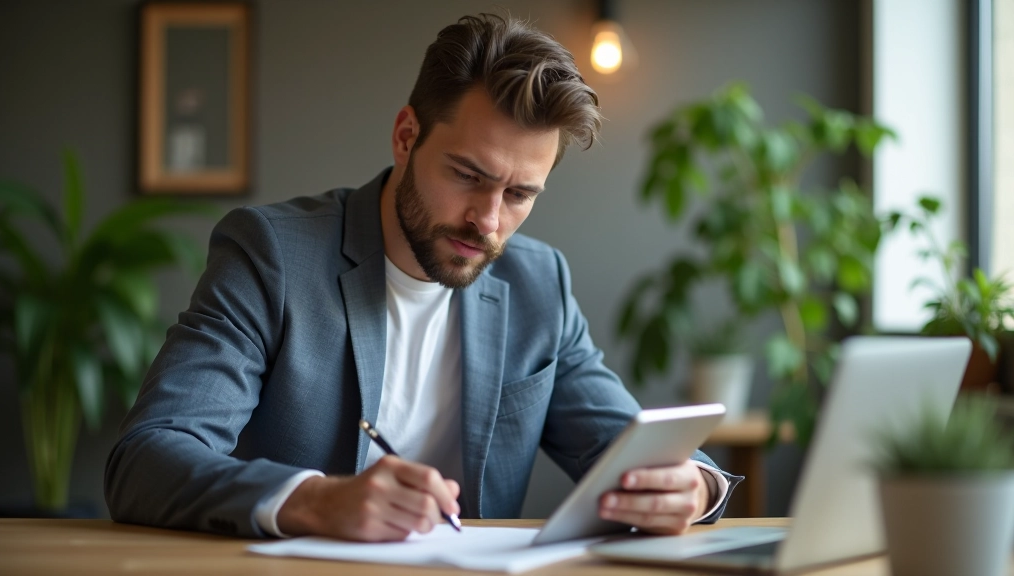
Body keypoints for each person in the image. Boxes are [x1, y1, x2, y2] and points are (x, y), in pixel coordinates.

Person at [105, 13, 741, 542]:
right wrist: (316, 501)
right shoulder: (271, 255)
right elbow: (146, 458)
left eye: (520, 194)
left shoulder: (539, 284)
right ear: (406, 136)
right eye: (468, 175)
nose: (487, 221)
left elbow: (628, 447)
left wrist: (697, 484)